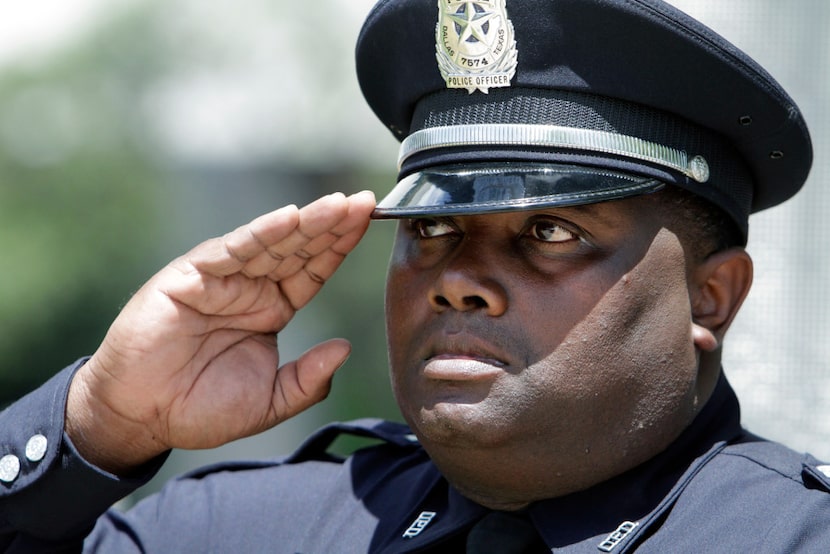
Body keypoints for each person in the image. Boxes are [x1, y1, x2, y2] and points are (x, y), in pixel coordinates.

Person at [1, 0, 828, 551]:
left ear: (711, 296)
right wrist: (95, 424)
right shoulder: (254, 529)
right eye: (433, 227)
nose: (460, 281)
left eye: (549, 230)